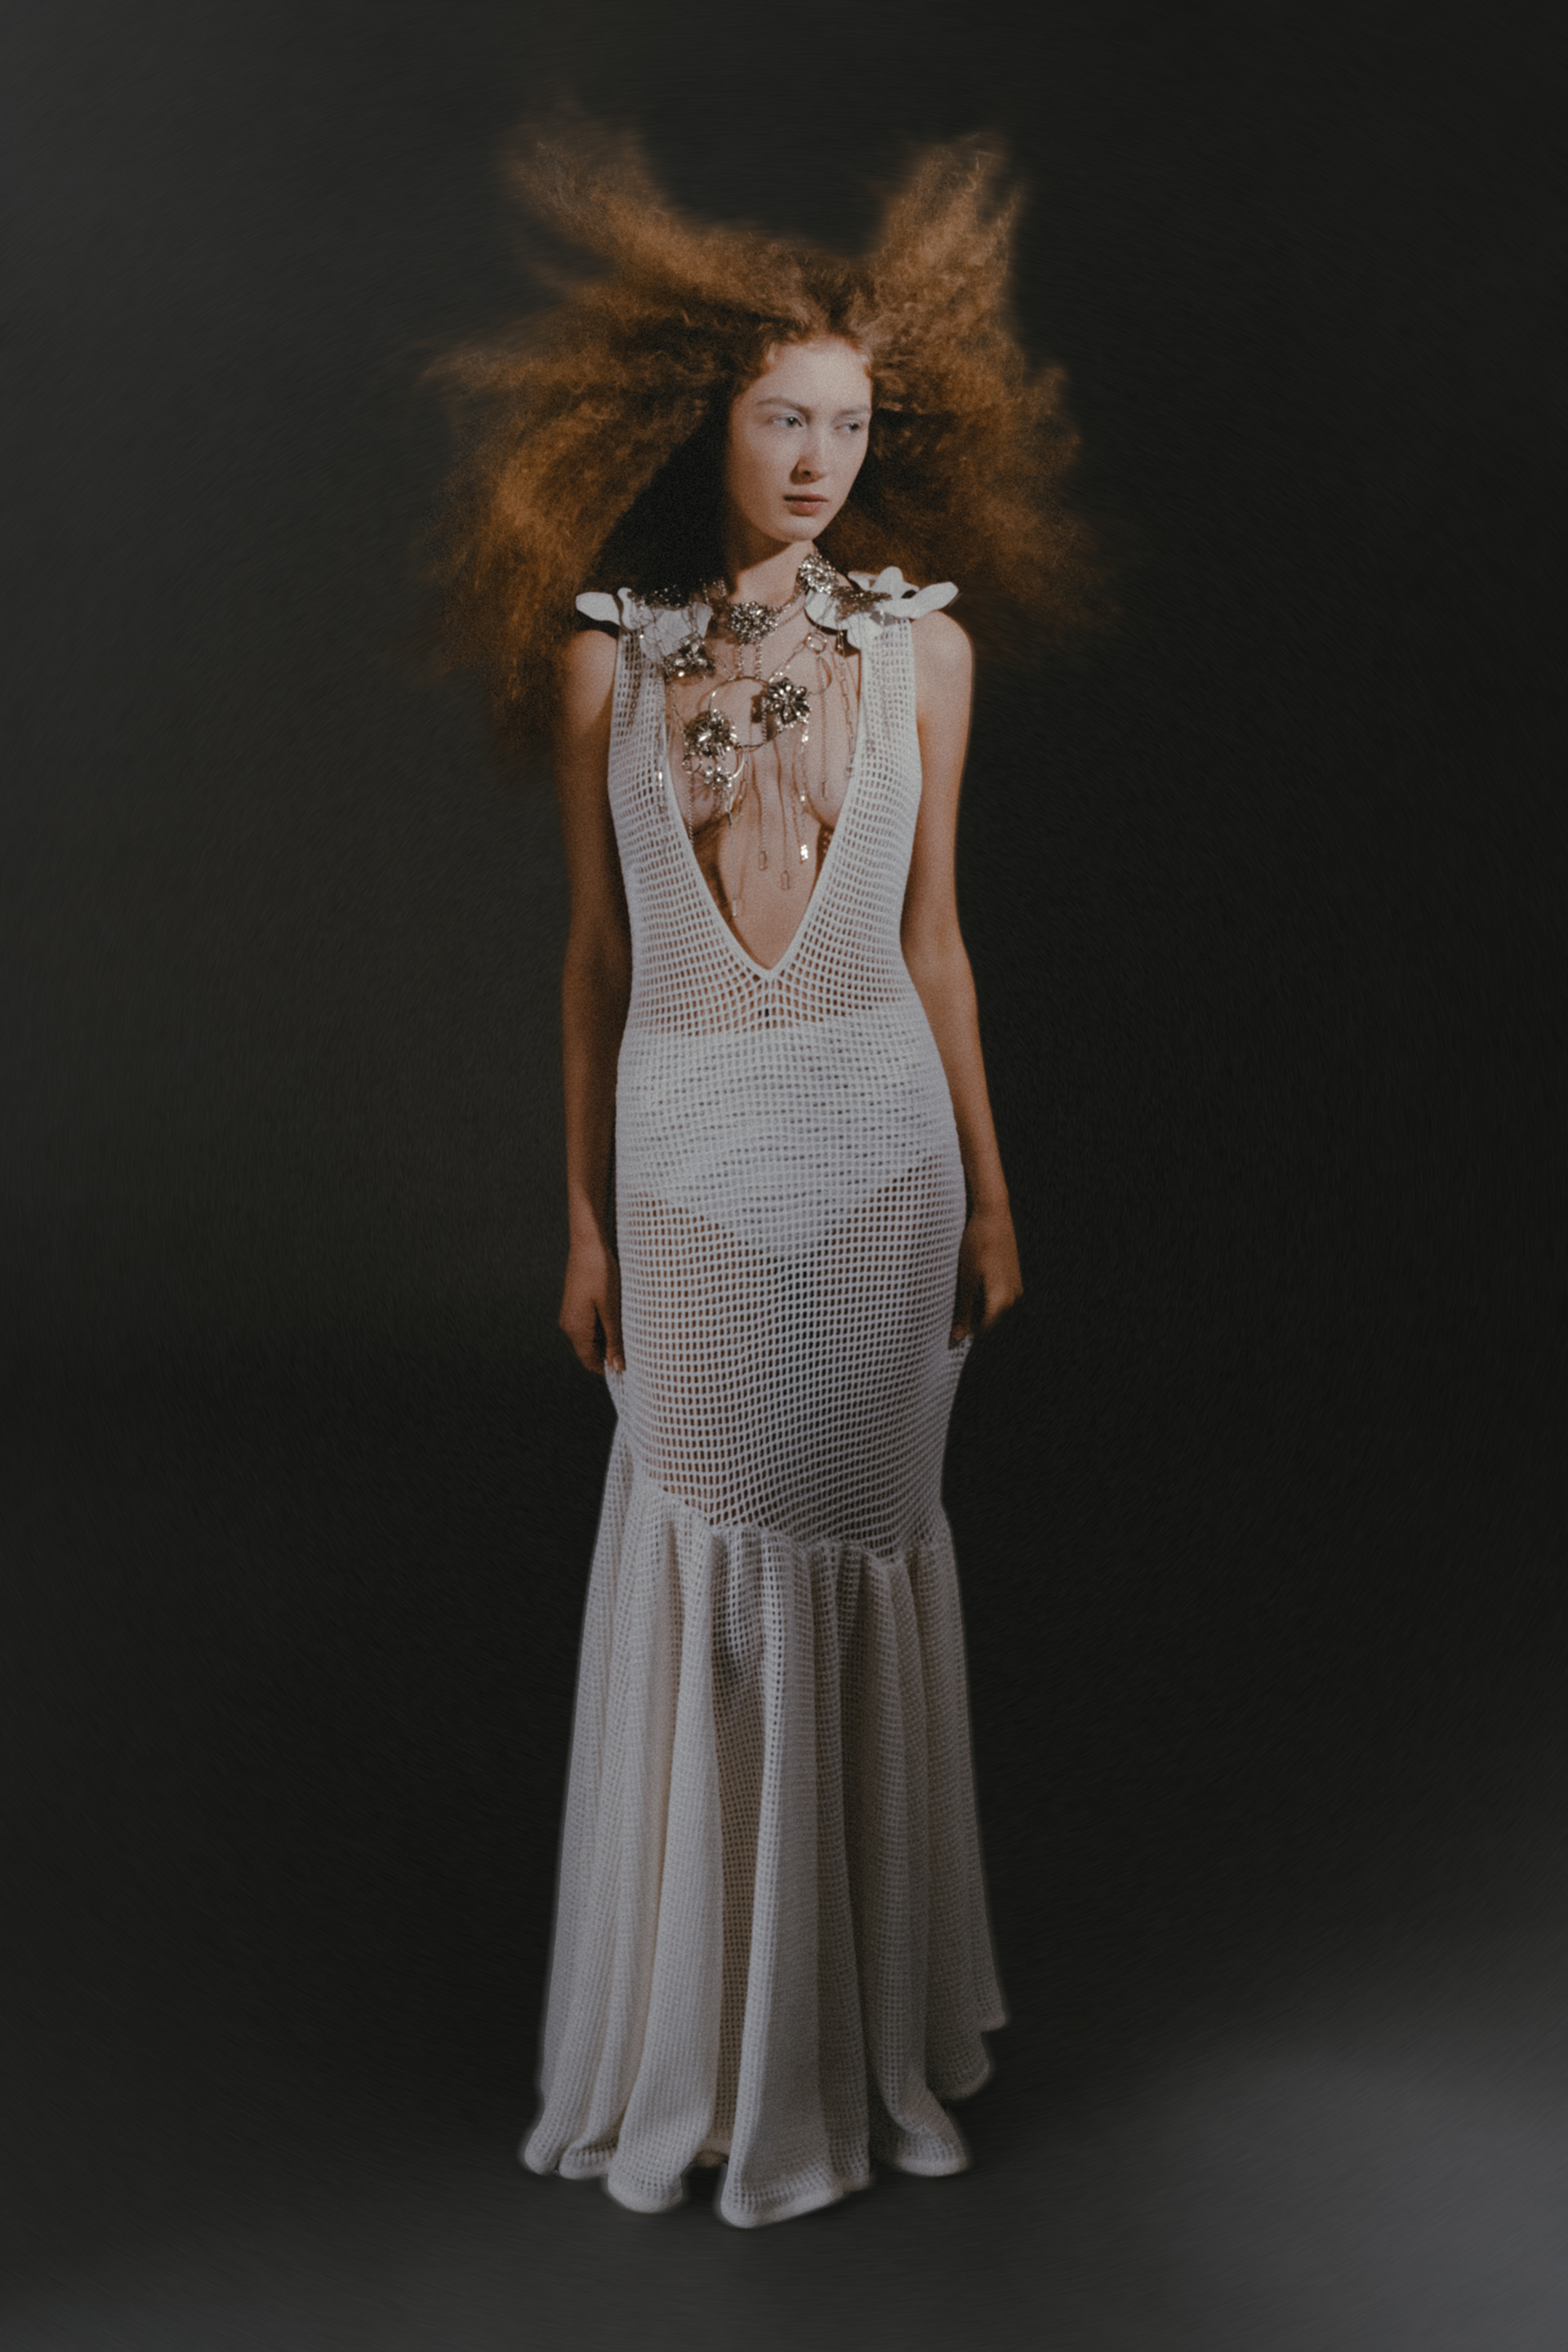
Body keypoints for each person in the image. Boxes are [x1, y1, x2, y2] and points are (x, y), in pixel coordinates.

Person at [429, 125, 1102, 2230]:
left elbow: (936, 944)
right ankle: (708, 2056)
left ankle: (849, 2047)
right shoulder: (610, 661)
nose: (820, 459)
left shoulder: (924, 656)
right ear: (700, 421)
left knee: (862, 1552)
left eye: (851, 425)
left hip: (882, 1163)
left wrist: (992, 1196)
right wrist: (581, 1221)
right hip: (692, 1166)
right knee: (704, 1562)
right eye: (784, 419)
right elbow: (595, 962)